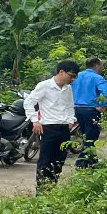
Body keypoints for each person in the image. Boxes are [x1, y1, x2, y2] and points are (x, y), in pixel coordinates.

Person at [25, 60, 80, 189]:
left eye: (74, 77)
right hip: (48, 128)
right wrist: (35, 121)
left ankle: (52, 188)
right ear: (61, 72)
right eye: (71, 75)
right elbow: (28, 102)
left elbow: (70, 106)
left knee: (59, 160)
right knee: (45, 160)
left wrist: (71, 121)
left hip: (64, 129)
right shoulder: (44, 86)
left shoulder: (68, 88)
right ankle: (42, 190)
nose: (72, 79)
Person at [70, 57, 107, 169]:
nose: (102, 67)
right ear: (97, 65)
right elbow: (106, 93)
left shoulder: (77, 76)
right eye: (101, 65)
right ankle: (80, 164)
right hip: (91, 110)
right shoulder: (98, 78)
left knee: (87, 136)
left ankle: (93, 163)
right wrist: (102, 106)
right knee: (91, 137)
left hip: (77, 109)